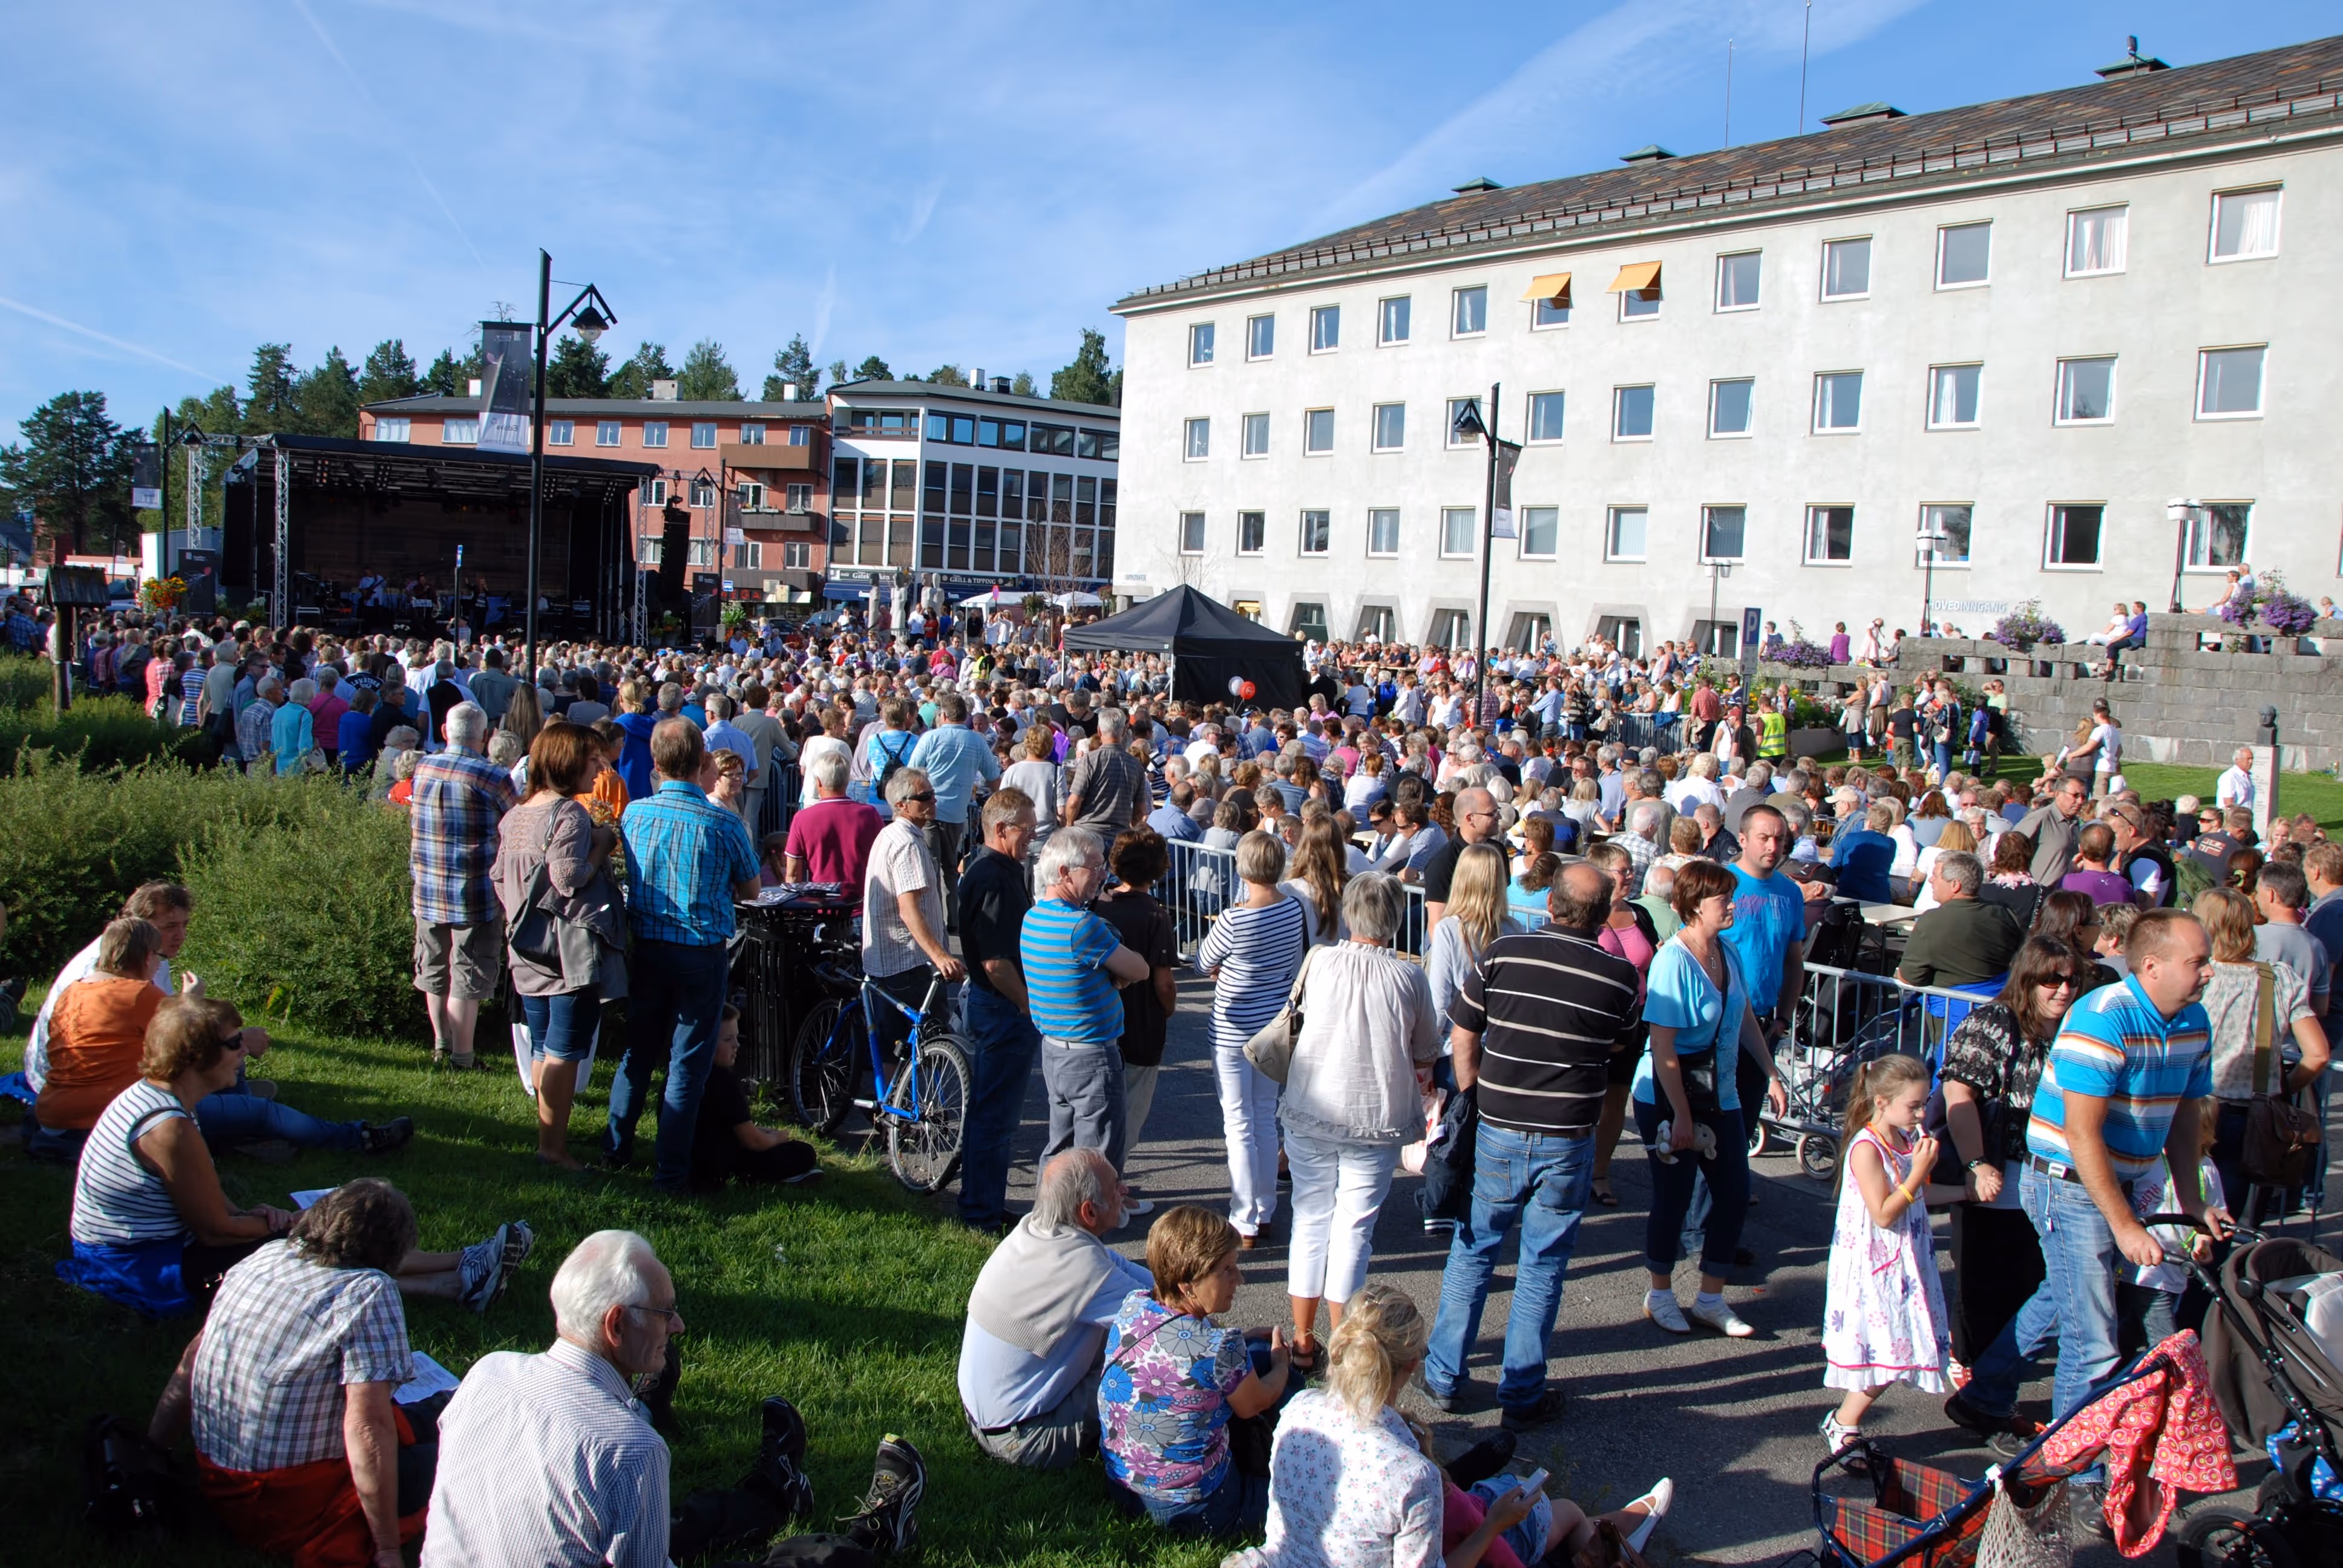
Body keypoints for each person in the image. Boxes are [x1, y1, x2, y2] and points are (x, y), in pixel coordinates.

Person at [427, 1229, 926, 1566]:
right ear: (617, 1324)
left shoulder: (488, 1372)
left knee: (653, 1522)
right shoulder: (631, 1449)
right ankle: (871, 1535)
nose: (680, 1326)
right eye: (666, 1313)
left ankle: (772, 1493)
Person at [1949, 910, 2227, 1484]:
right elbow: (2082, 1134)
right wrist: (2126, 1225)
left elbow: (2183, 1116)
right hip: (2067, 1180)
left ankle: (1987, 1391)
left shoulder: (2194, 1021)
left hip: (2116, 1177)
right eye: (2198, 962)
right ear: (2151, 966)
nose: (2209, 973)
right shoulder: (2103, 1019)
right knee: (2093, 1337)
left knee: (2065, 1298)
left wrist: (2194, 1199)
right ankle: (2076, 1474)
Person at [1421, 861, 1642, 1429]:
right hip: (1568, 1135)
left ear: (1550, 905)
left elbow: (1464, 1029)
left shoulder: (1503, 955)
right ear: (1600, 918)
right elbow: (1619, 1047)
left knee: (1474, 1247)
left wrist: (1471, 1093)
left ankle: (1445, 1374)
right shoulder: (1618, 978)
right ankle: (1520, 1390)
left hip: (1501, 1123)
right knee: (1542, 1263)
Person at [180, 1181, 439, 1568]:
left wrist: (154, 1447)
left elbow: (192, 1358)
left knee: (442, 1409)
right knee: (466, 1446)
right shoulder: (367, 1290)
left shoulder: (263, 1258)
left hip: (215, 1477)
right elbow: (367, 1426)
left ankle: (457, 1401)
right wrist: (386, 1549)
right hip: (290, 1502)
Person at [1281, 872, 1440, 1370]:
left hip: (1313, 1106)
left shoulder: (1320, 960)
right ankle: (1343, 1342)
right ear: (1394, 920)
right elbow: (1425, 1050)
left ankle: (1303, 1339)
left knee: (1310, 1220)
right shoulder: (1409, 977)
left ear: (1350, 913)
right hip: (1375, 1114)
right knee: (1354, 1230)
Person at [1636, 859, 1789, 1338]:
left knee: (1733, 1193)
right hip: (1668, 1092)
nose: (1733, 905)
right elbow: (1663, 1046)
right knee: (1674, 1196)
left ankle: (1710, 1298)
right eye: (1724, 898)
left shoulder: (1727, 953)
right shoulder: (1672, 961)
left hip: (1721, 1092)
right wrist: (1680, 1116)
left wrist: (1771, 1072)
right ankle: (1660, 1293)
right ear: (1694, 906)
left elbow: (1743, 1018)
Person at [606, 718, 761, 1192]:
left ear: (655, 764)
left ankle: (617, 1149)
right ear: (703, 763)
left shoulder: (635, 814)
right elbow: (752, 888)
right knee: (687, 1062)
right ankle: (670, 1171)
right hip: (700, 950)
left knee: (639, 1051)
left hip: (651, 945)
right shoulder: (721, 821)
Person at [1099, 1206, 1292, 1537]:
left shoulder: (1134, 1306)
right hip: (1195, 1507)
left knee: (1252, 1352)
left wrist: (1245, 1341)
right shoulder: (1220, 1348)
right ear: (1188, 1283)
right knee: (1296, 1495)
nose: (1240, 1279)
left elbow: (1180, 1347)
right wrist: (1281, 1364)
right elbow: (1256, 1402)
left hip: (1123, 1484)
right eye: (1227, 1270)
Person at [1936, 937, 2083, 1370]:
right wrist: (1976, 1165)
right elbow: (1958, 1091)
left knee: (2029, 1280)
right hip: (1997, 1172)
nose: (2064, 989)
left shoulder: (2075, 1025)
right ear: (2028, 977)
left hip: (2052, 1177)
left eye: (2072, 980)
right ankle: (1976, 1377)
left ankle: (2000, 1376)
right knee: (1984, 1285)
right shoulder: (1995, 1021)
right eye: (2051, 979)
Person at [959, 1150, 1152, 1469]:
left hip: (984, 1414)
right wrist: (1224, 1340)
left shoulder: (1034, 1230)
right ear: (1089, 1212)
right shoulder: (1085, 1269)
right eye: (1116, 1187)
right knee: (1156, 1369)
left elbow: (1131, 1274)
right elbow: (1167, 1324)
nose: (1125, 1192)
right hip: (1021, 1438)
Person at [494, 720, 627, 1170]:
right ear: (568, 761)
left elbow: (497, 877)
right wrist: (601, 847)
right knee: (565, 1049)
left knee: (541, 1046)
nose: (600, 769)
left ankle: (546, 1134)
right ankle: (553, 1148)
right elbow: (568, 879)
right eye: (592, 761)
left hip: (525, 949)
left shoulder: (518, 812)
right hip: (563, 950)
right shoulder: (567, 814)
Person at [1820, 1055, 1966, 1457]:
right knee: (1889, 1351)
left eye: (1924, 1104)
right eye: (1913, 1106)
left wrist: (1966, 1192)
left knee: (1899, 1349)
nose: (1922, 1114)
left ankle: (1846, 1420)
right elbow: (1884, 1213)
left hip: (1907, 1262)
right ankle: (1844, 1422)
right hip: (1874, 1266)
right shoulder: (1866, 1148)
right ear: (1881, 1101)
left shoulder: (1906, 1140)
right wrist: (1919, 1171)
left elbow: (1919, 1196)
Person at [1198, 832, 1311, 1246]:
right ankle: (1263, 1209)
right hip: (1273, 1025)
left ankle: (1245, 1214)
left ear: (1244, 868)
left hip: (1233, 1028)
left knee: (1238, 1122)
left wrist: (1224, 969)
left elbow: (1202, 960)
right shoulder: (1293, 909)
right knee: (1264, 1117)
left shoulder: (1234, 918)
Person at [2192, 887, 2330, 1224]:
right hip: (2251, 1115)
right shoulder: (2278, 978)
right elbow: (2318, 1055)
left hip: (2192, 1109)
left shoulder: (2196, 976)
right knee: (2231, 1219)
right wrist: (2281, 1089)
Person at [1023, 828, 1152, 1181]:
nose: (1103, 876)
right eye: (1094, 868)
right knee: (1098, 1156)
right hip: (1092, 1056)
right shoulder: (1081, 927)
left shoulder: (1032, 918)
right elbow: (1139, 969)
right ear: (1065, 872)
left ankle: (1049, 1218)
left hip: (1054, 1050)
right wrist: (1116, 975)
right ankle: (1089, 1225)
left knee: (1060, 1147)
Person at [408, 701, 517, 1069]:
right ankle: (462, 1055)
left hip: (427, 885)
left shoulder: (423, 767)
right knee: (467, 971)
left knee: (434, 968)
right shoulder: (491, 776)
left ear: (444, 732)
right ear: (486, 737)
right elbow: (515, 822)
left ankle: (442, 1043)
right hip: (474, 892)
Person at [955, 787, 1042, 1233]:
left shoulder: (997, 868)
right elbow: (995, 962)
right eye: (1026, 830)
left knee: (993, 1116)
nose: (1032, 837)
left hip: (999, 1004)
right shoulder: (992, 875)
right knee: (995, 1118)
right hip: (1003, 1006)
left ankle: (983, 1202)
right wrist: (1028, 1006)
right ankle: (980, 1212)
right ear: (1001, 828)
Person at [862, 766, 966, 1060]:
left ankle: (894, 1103)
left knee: (898, 1052)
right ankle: (916, 1104)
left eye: (932, 795)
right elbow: (909, 910)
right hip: (907, 964)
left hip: (891, 963)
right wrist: (941, 956)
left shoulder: (891, 835)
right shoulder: (907, 844)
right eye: (925, 797)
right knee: (923, 1049)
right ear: (901, 805)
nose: (933, 801)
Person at [1093, 829, 1181, 1175]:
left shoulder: (1099, 902)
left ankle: (1097, 1179)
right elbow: (1164, 983)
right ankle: (1111, 1185)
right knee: (1129, 1113)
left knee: (1097, 1111)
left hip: (1100, 1019)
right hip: (1142, 1024)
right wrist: (1168, 1009)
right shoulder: (1155, 914)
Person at [690, 1004, 818, 1190]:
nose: (736, 1044)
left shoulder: (683, 1072)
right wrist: (777, 1138)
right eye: (728, 1039)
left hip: (689, 1157)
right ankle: (761, 1177)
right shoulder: (723, 1081)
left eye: (736, 1036)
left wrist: (759, 1130)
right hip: (718, 1165)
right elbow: (754, 1142)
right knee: (804, 1153)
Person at [908, 690, 1001, 924]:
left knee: (930, 867)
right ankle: (951, 919)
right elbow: (993, 777)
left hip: (929, 810)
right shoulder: (975, 740)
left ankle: (934, 918)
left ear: (944, 715)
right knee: (950, 868)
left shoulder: (930, 738)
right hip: (957, 811)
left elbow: (912, 771)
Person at [1424, 843, 1521, 1050]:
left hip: (1456, 1043)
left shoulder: (1448, 929)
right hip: (1501, 1044)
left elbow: (1439, 999)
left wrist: (1427, 1052)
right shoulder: (1516, 929)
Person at [1897, 852, 2025, 988]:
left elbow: (1909, 977)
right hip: (1999, 1001)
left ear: (1955, 885)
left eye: (1935, 875)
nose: (1931, 880)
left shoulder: (1933, 921)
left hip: (1950, 1005)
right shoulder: (2004, 912)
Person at [781, 748, 883, 886]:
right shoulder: (870, 815)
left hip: (820, 903)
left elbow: (793, 874)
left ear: (819, 782)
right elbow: (883, 862)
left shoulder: (802, 818)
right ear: (847, 780)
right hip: (862, 904)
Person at [1421, 788, 1506, 930]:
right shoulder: (1442, 863)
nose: (1499, 817)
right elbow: (1436, 923)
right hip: (1458, 943)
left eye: (1498, 811)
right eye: (1492, 813)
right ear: (1470, 819)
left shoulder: (1498, 851)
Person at [2014, 775, 2089, 886]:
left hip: (2065, 895)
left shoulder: (2075, 823)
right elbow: (2011, 849)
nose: (2080, 801)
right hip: (2040, 892)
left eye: (2084, 796)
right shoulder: (2040, 818)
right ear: (2058, 794)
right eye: (2076, 795)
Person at [1829, 802, 1899, 904]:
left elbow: (1834, 868)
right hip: (1879, 897)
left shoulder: (1850, 838)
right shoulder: (1891, 844)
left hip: (1848, 895)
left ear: (1869, 822)